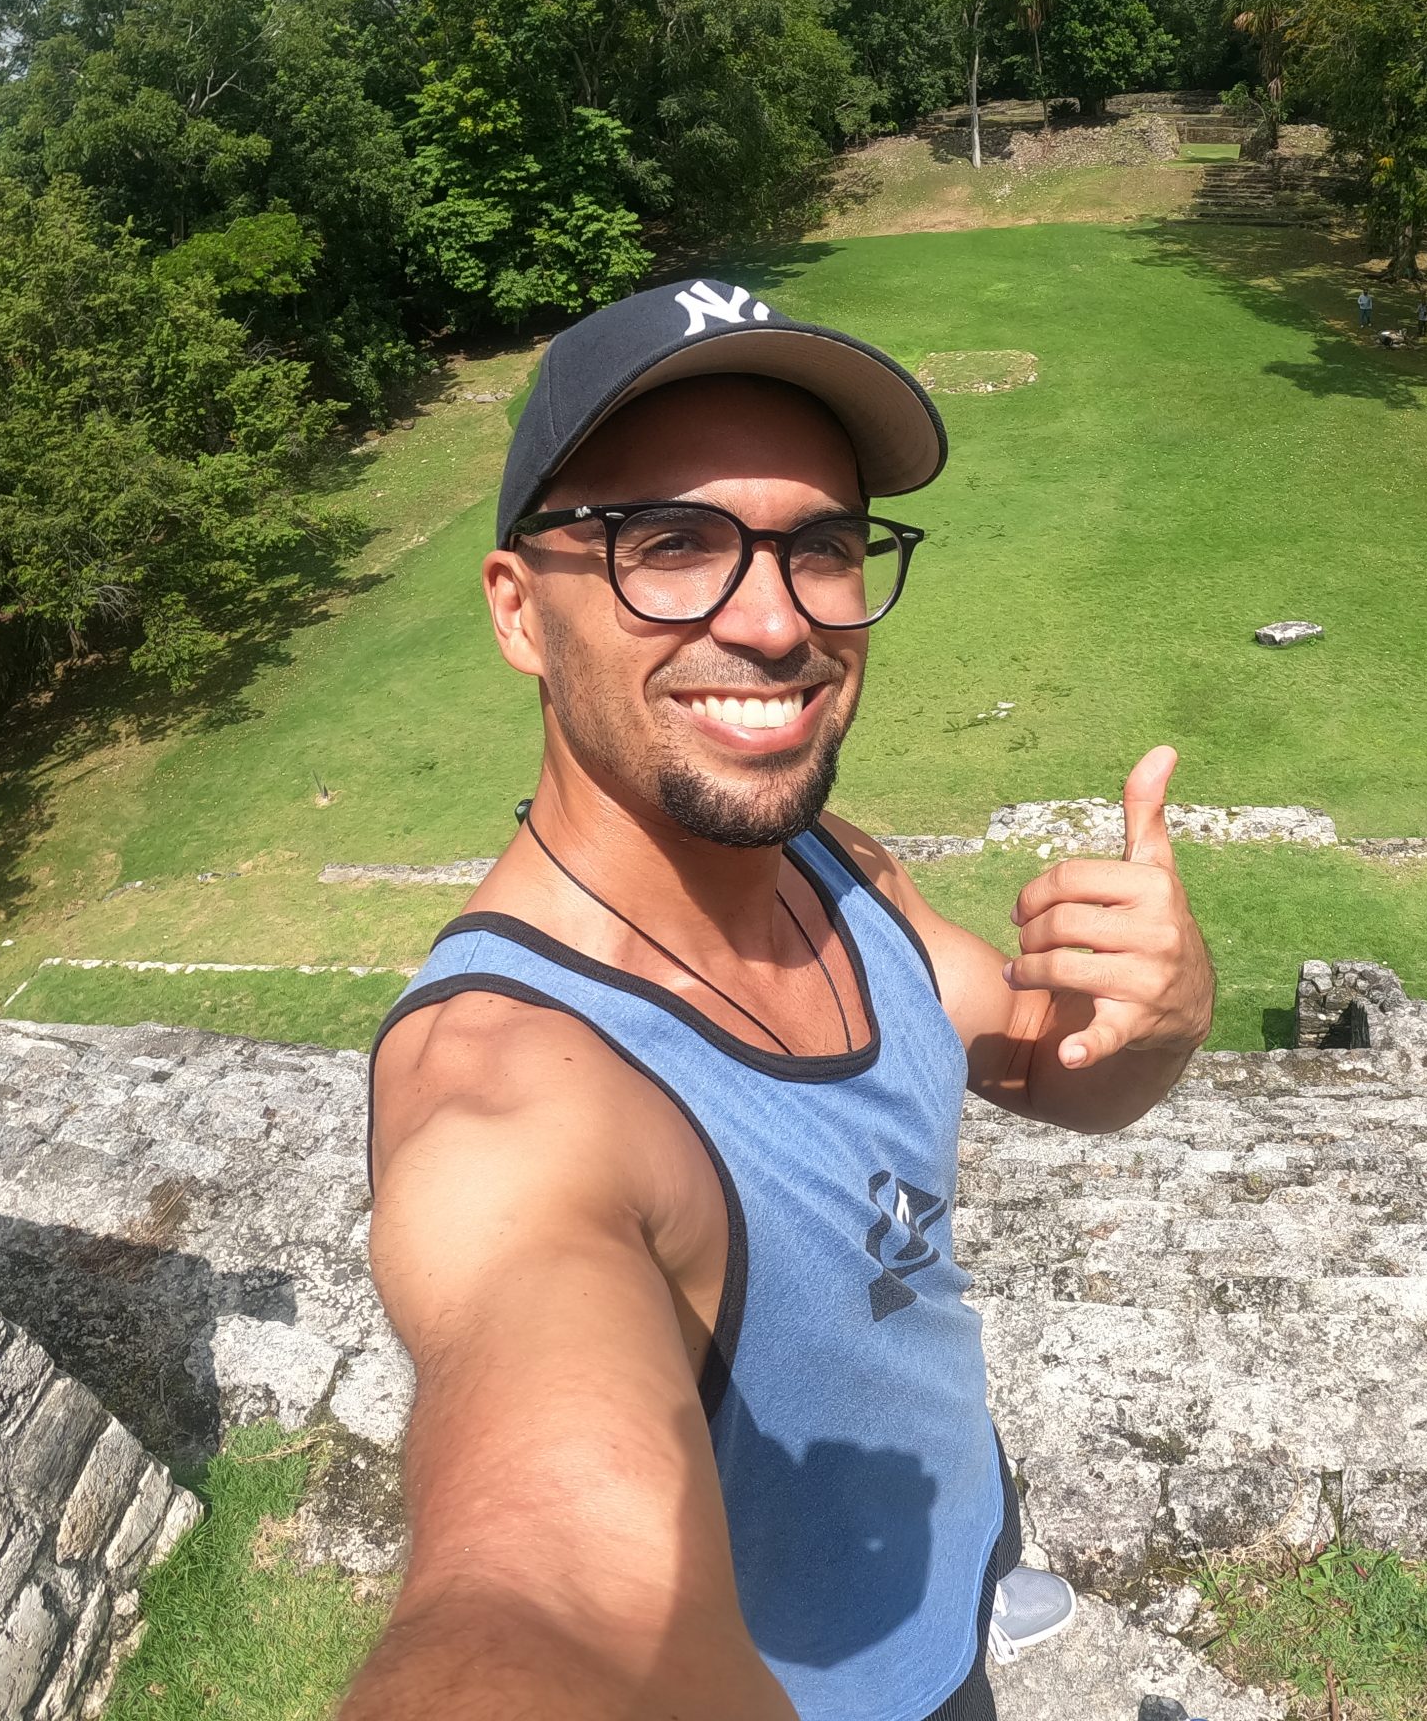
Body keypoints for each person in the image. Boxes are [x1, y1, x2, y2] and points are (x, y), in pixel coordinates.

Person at [343, 279, 1217, 1721]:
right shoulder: (513, 1095)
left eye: (822, 548)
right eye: (668, 545)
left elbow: (1058, 1074)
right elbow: (545, 1586)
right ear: (518, 610)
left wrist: (1166, 1010)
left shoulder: (835, 865)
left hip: (952, 1531)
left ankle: (987, 1580)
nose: (775, 621)